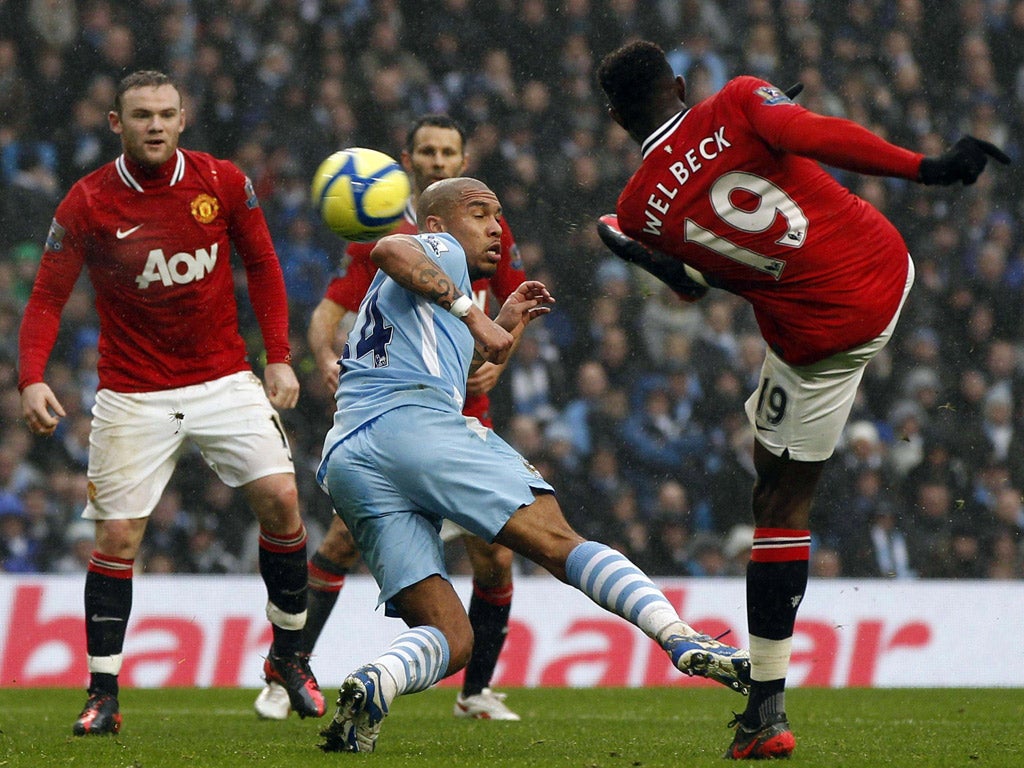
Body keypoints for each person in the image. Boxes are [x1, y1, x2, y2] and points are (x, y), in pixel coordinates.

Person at [595, 41, 1009, 760]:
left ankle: (766, 711)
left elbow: (701, 269)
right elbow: (817, 135)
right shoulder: (739, 99)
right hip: (883, 266)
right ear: (681, 85)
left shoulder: (636, 208)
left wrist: (657, 262)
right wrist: (927, 167)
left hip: (823, 338)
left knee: (778, 504)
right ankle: (765, 703)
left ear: (614, 118)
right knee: (775, 476)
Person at [315, 177, 750, 753]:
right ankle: (680, 635)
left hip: (350, 457)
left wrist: (506, 319)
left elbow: (460, 361)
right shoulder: (438, 250)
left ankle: (376, 682)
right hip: (415, 425)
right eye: (479, 213)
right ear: (437, 225)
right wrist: (474, 314)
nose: (496, 227)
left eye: (498, 215)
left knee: (450, 636)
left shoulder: (419, 297)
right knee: (560, 543)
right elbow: (390, 248)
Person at [17, 70, 326, 736]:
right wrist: (31, 378)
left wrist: (277, 355)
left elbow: (263, 264)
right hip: (132, 392)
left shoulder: (222, 182)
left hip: (223, 379)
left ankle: (288, 656)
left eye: (165, 113)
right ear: (116, 124)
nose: (154, 125)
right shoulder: (87, 201)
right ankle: (102, 695)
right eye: (141, 115)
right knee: (117, 537)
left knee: (282, 498)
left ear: (183, 119)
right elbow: (45, 297)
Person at [255, 114, 529, 722]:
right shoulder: (380, 234)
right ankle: (287, 669)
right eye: (426, 151)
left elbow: (507, 312)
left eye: (447, 152)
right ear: (407, 161)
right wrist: (326, 357)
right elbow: (327, 313)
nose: (437, 160)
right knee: (341, 541)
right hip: (398, 416)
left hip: (465, 417)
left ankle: (475, 691)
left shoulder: (489, 232)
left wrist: (498, 364)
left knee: (495, 556)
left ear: (463, 160)